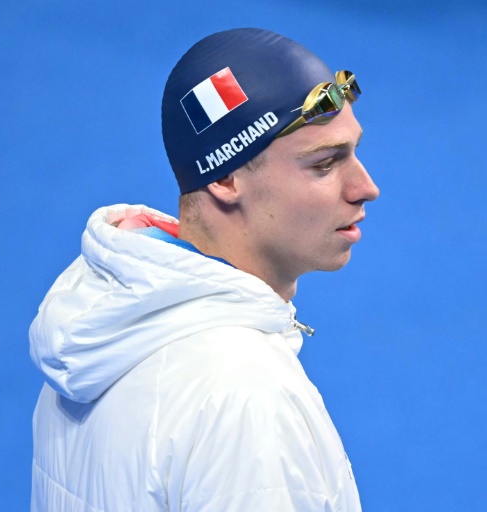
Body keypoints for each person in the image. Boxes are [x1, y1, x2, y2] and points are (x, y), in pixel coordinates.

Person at [29, 28, 379, 511]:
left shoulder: (96, 338)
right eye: (324, 164)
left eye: (354, 151)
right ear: (226, 178)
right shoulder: (247, 401)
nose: (365, 187)